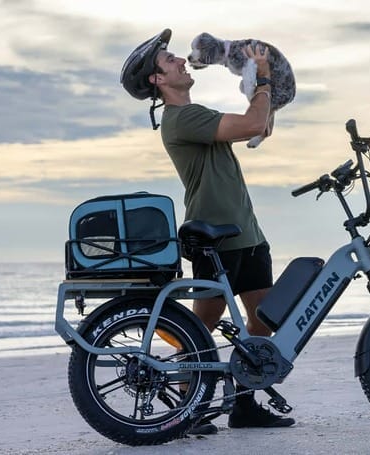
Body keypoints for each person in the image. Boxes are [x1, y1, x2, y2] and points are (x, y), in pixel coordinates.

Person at [120, 29, 294, 434]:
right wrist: (264, 76)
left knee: (262, 321)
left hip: (245, 231)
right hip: (215, 237)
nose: (181, 60)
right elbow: (252, 121)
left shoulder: (198, 116)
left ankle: (244, 405)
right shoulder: (182, 119)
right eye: (169, 61)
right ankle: (186, 408)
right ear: (157, 81)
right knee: (200, 332)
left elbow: (258, 128)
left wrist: (264, 88)